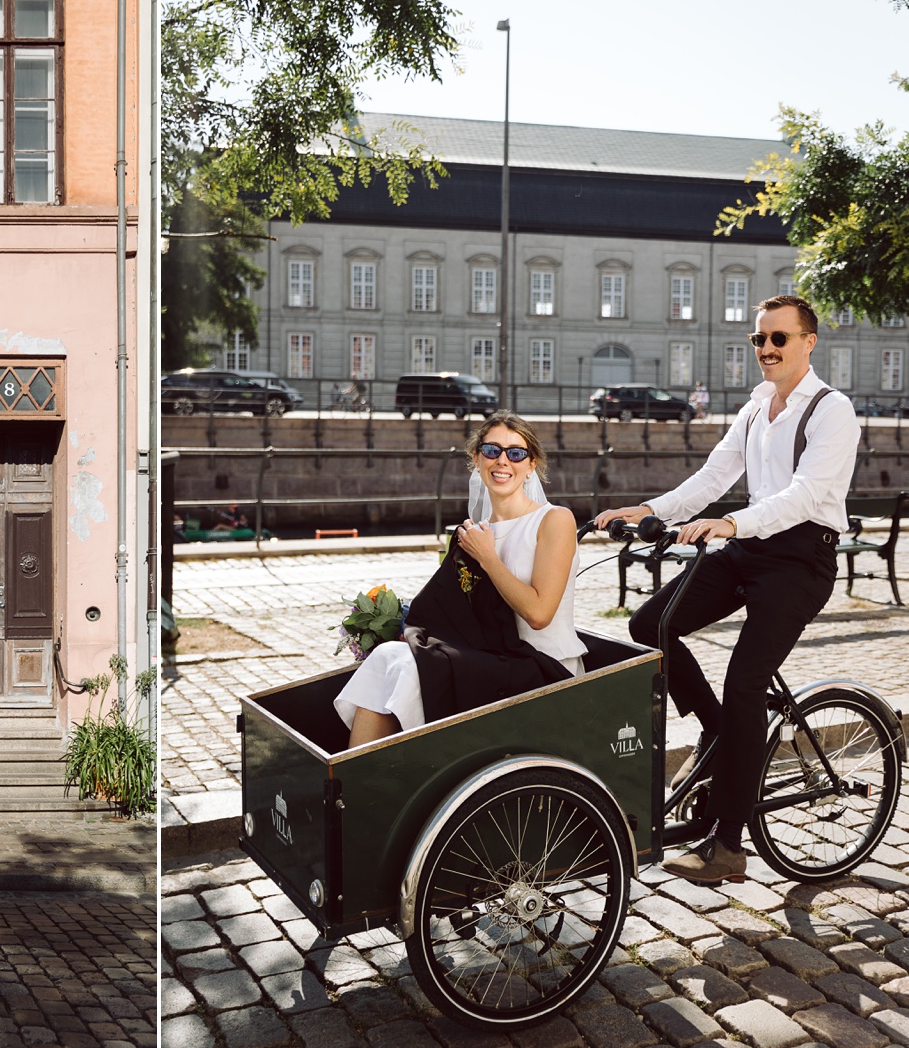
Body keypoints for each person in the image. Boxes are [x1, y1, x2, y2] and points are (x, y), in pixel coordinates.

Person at [595, 295, 858, 883]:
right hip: (750, 546)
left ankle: (729, 847)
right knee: (649, 627)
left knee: (744, 682)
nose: (766, 349)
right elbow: (714, 475)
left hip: (799, 559)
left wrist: (733, 522)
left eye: (778, 339)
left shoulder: (830, 410)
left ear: (808, 342)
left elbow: (808, 495)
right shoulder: (758, 405)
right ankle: (719, 731)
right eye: (759, 340)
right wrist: (646, 509)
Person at [335, 412, 585, 748]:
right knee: (386, 655)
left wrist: (488, 558)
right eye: (492, 450)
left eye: (516, 453)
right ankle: (358, 782)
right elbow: (458, 607)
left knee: (410, 669)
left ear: (531, 464)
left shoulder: (554, 520)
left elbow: (540, 615)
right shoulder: (475, 532)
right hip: (493, 657)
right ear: (476, 458)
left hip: (543, 665)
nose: (502, 461)